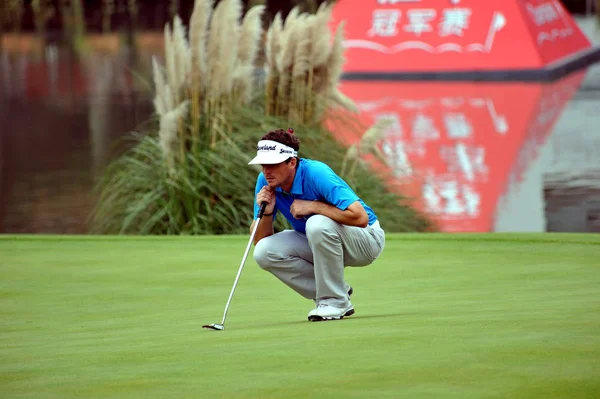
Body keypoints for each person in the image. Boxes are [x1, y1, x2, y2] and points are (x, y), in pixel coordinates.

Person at [248, 128, 385, 322]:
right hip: (319, 240)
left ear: (292, 162)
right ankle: (337, 289)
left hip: (366, 240)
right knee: (263, 251)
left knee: (316, 223)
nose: (266, 171)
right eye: (263, 164)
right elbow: (259, 240)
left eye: (273, 164)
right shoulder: (265, 181)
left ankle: (336, 302)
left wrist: (313, 206)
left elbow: (360, 218)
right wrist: (268, 212)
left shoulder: (316, 173)